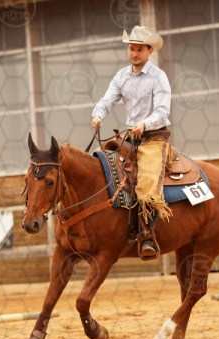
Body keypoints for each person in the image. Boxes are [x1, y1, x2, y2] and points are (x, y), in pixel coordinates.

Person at [91, 25, 172, 259]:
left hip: (153, 138)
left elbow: (163, 112)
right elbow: (107, 101)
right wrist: (97, 115)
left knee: (147, 183)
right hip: (129, 138)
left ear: (149, 51)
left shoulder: (159, 77)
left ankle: (147, 236)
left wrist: (144, 124)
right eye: (131, 49)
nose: (134, 54)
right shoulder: (121, 76)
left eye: (139, 50)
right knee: (98, 164)